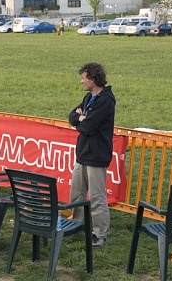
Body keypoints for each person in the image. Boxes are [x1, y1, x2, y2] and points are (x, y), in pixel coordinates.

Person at [68, 62, 115, 248]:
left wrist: (81, 120)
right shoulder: (88, 97)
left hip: (96, 155)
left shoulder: (105, 101)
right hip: (82, 154)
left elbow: (87, 127)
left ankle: (99, 233)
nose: (81, 81)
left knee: (96, 197)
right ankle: (78, 225)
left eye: (84, 78)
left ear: (93, 79)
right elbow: (72, 116)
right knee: (76, 194)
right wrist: (80, 118)